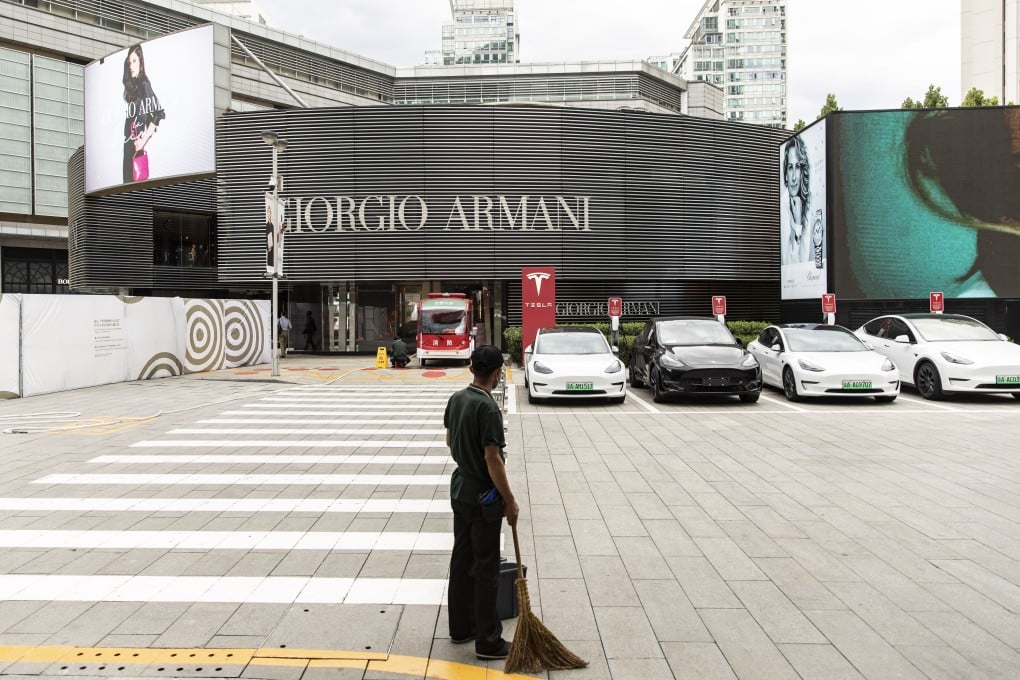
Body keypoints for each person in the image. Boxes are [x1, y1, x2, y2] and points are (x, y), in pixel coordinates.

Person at [444, 345, 518, 661]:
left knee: (462, 561)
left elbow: (450, 440)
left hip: (460, 490)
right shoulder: (487, 409)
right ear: (497, 373)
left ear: (473, 368)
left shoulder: (457, 398)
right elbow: (493, 458)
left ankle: (461, 627)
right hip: (482, 498)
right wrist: (510, 500)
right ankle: (488, 641)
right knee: (486, 568)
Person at [122, 43, 165, 184]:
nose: (131, 65)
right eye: (129, 62)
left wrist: (143, 139)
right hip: (128, 149)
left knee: (134, 192)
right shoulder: (134, 88)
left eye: (134, 61)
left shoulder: (144, 85)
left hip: (135, 148)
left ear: (141, 63)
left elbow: (158, 113)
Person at [781, 136, 812, 264]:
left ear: (802, 171)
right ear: (786, 176)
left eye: (798, 167)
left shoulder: (808, 203)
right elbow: (790, 265)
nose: (794, 177)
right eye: (790, 167)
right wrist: (798, 224)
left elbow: (804, 261)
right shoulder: (783, 207)